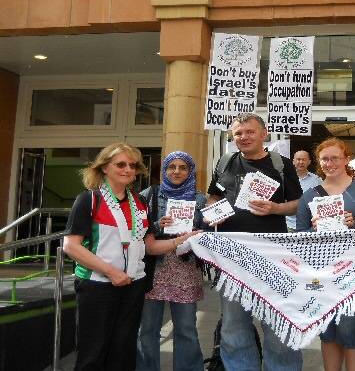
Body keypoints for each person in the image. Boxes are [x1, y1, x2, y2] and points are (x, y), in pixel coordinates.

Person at [63, 143, 197, 371]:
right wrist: (111, 272)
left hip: (133, 286)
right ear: (104, 168)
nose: (127, 169)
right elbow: (71, 246)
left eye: (132, 165)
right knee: (93, 352)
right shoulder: (89, 200)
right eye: (121, 164)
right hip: (97, 286)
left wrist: (178, 241)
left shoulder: (140, 202)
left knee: (124, 351)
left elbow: (149, 245)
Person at [207, 113, 304, 371]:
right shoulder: (225, 162)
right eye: (238, 133)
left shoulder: (281, 164)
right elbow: (213, 197)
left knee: (278, 321)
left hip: (272, 256)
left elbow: (298, 205)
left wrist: (274, 208)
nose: (243, 137)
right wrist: (215, 213)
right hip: (232, 255)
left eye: (249, 132)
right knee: (234, 324)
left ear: (264, 134)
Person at [296, 138, 355, 371]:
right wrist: (313, 230)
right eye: (325, 159)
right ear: (319, 163)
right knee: (328, 330)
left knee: (351, 328)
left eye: (335, 158)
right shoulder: (310, 195)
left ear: (346, 159)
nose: (330, 163)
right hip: (321, 273)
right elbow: (300, 237)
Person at [136, 151, 208, 371]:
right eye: (171, 167)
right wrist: (158, 225)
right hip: (153, 270)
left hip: (185, 269)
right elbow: (136, 229)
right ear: (164, 170)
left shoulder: (199, 199)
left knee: (186, 328)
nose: (177, 171)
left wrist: (199, 232)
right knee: (148, 329)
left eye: (183, 167)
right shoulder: (148, 194)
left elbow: (207, 231)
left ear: (190, 171)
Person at [285, 149, 322, 231]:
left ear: (309, 162)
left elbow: (322, 200)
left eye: (304, 159)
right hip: (289, 224)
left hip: (309, 224)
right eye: (298, 159)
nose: (301, 162)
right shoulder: (285, 179)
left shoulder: (317, 180)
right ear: (293, 161)